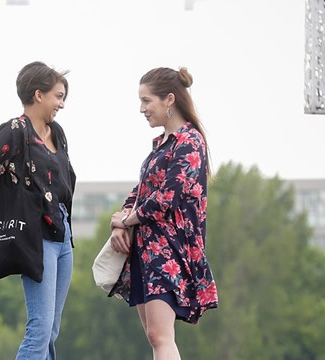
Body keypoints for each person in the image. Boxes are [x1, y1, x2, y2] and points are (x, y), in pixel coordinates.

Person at [0, 61, 76, 360]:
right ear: (38, 95)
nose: (61, 104)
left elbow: (65, 182)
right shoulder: (15, 130)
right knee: (39, 328)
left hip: (62, 236)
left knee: (51, 329)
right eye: (58, 96)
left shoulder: (58, 133)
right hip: (36, 236)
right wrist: (6, 221)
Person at [108, 66, 218, 360]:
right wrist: (120, 221)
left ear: (169, 99)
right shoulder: (162, 145)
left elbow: (167, 197)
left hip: (170, 249)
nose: (142, 109)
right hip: (147, 248)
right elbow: (142, 191)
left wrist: (127, 219)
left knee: (160, 336)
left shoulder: (190, 141)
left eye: (147, 101)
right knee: (155, 336)